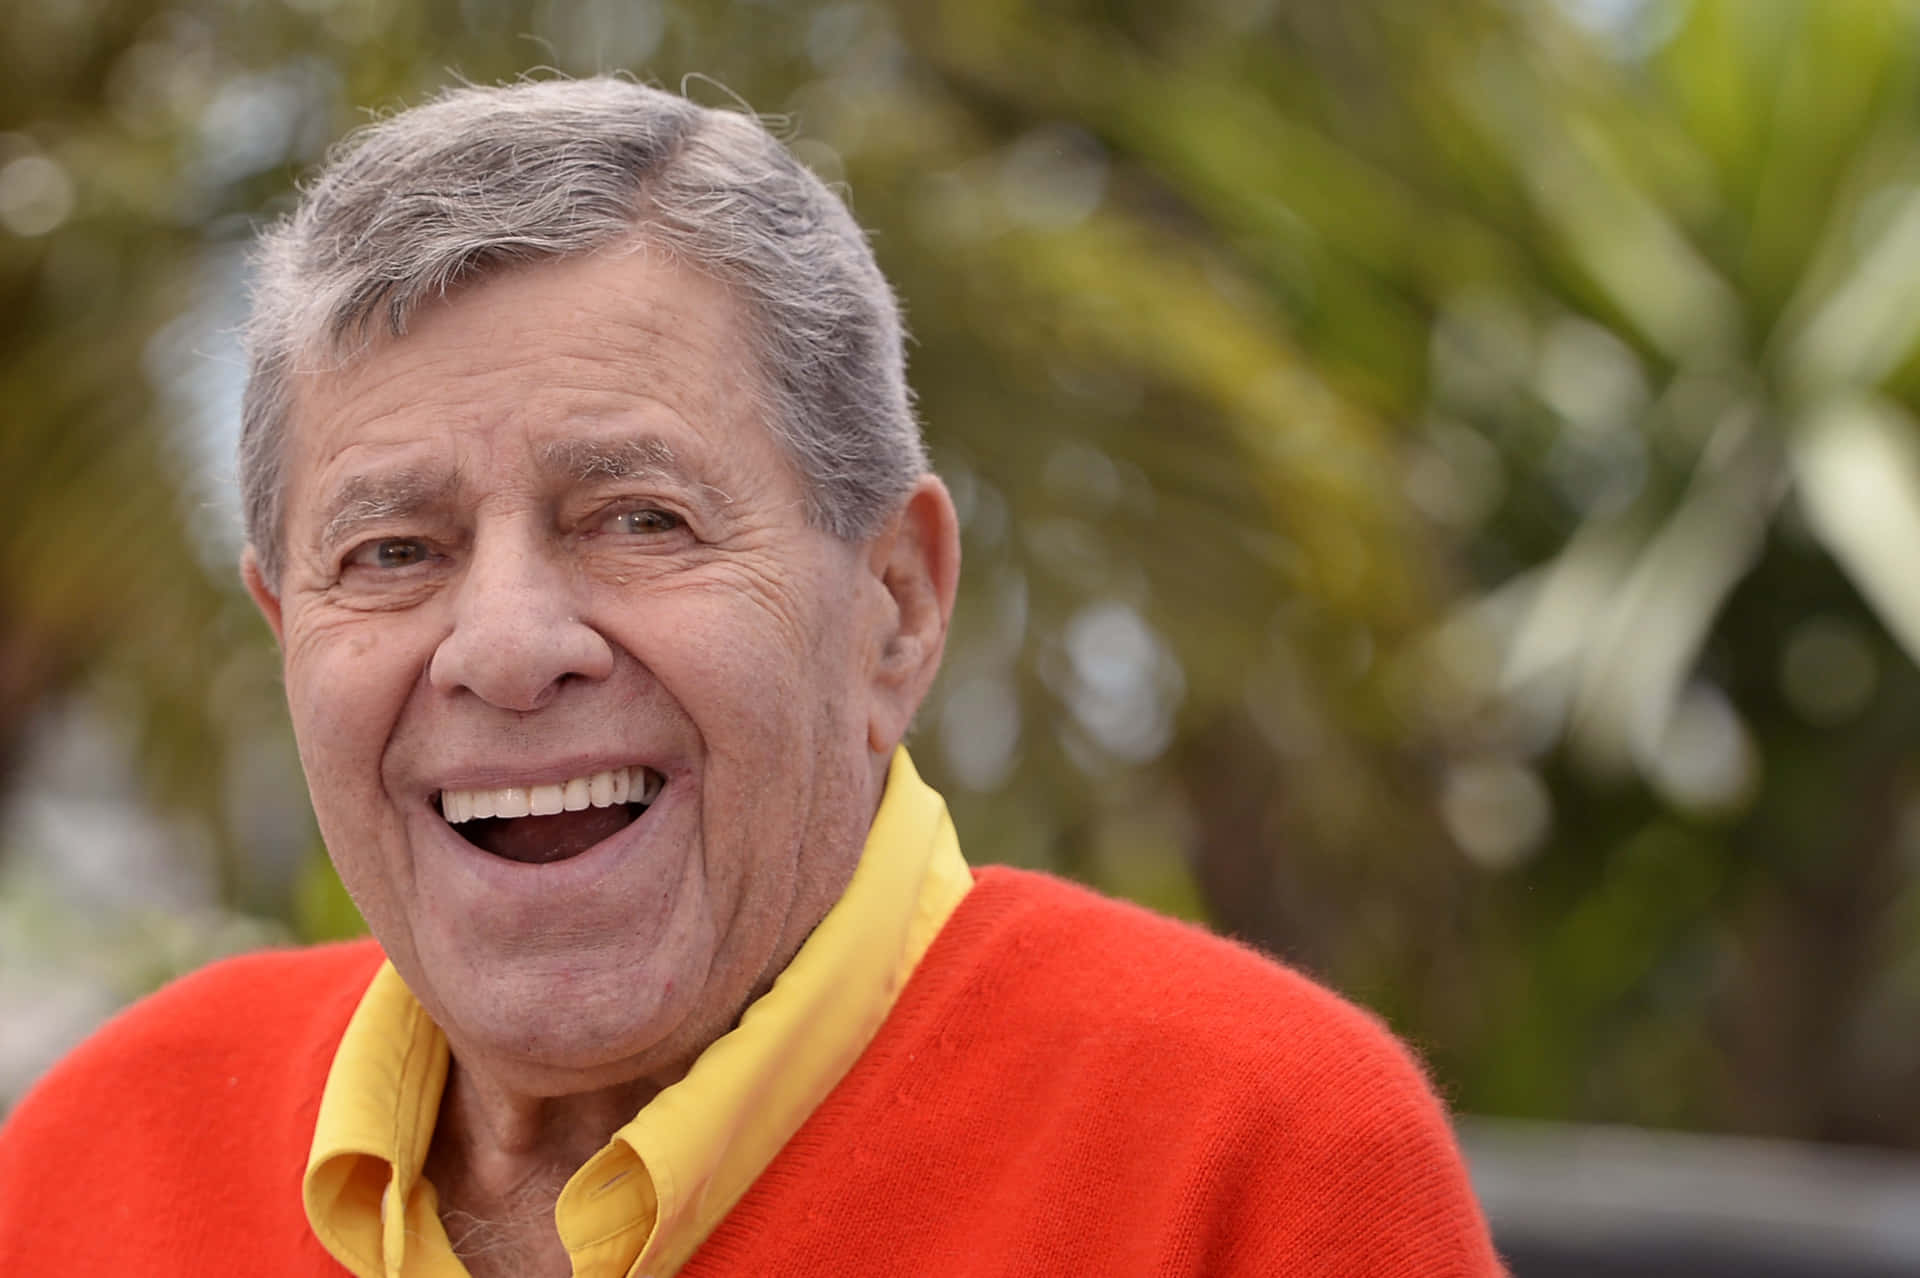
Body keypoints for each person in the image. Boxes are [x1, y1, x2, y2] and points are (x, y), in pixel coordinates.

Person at [0, 77, 1505, 1277]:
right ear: (285, 631)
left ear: (897, 606)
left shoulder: (1255, 1156)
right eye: (395, 550)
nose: (510, 647)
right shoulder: (99, 1153)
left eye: (638, 518)